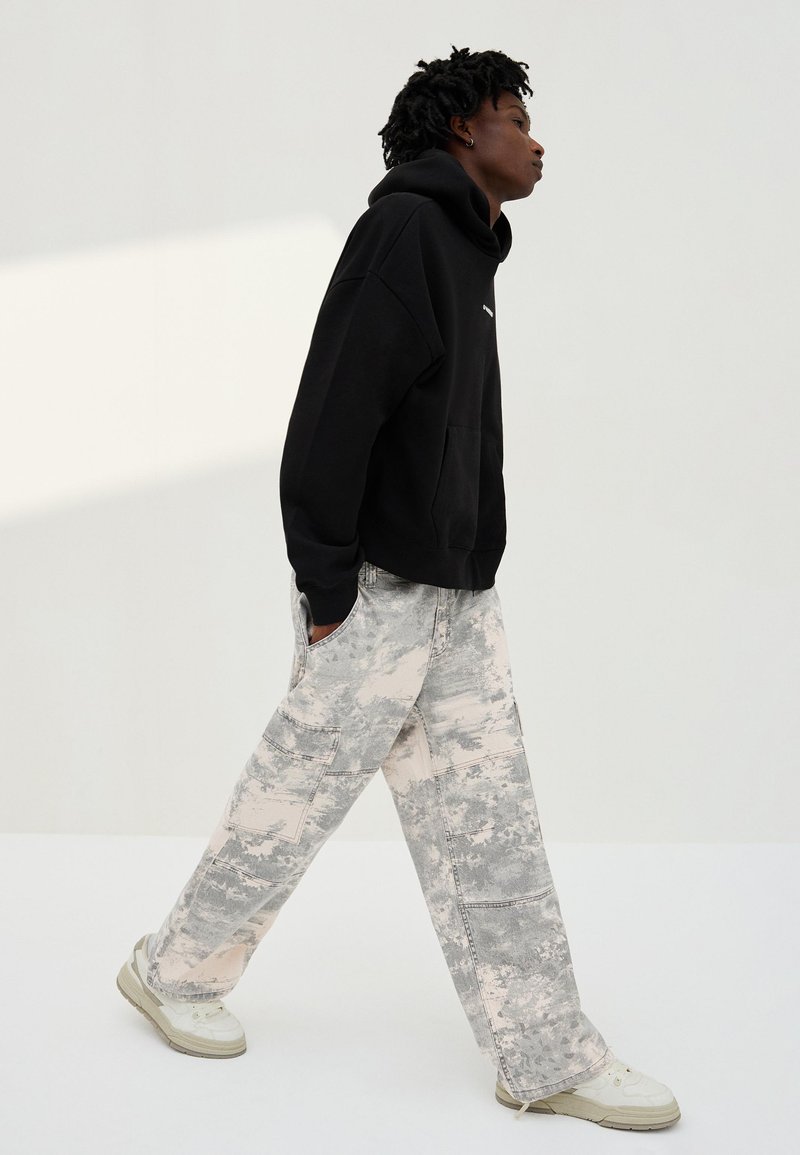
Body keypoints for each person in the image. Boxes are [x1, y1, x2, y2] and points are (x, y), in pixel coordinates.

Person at [116, 46, 680, 1131]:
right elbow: (330, 416)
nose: (536, 142)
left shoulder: (467, 248)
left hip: (456, 597)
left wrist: (471, 564)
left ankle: (543, 1054)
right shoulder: (406, 234)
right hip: (374, 592)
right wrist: (327, 588)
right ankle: (173, 971)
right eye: (516, 118)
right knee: (293, 799)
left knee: (491, 822)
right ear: (464, 127)